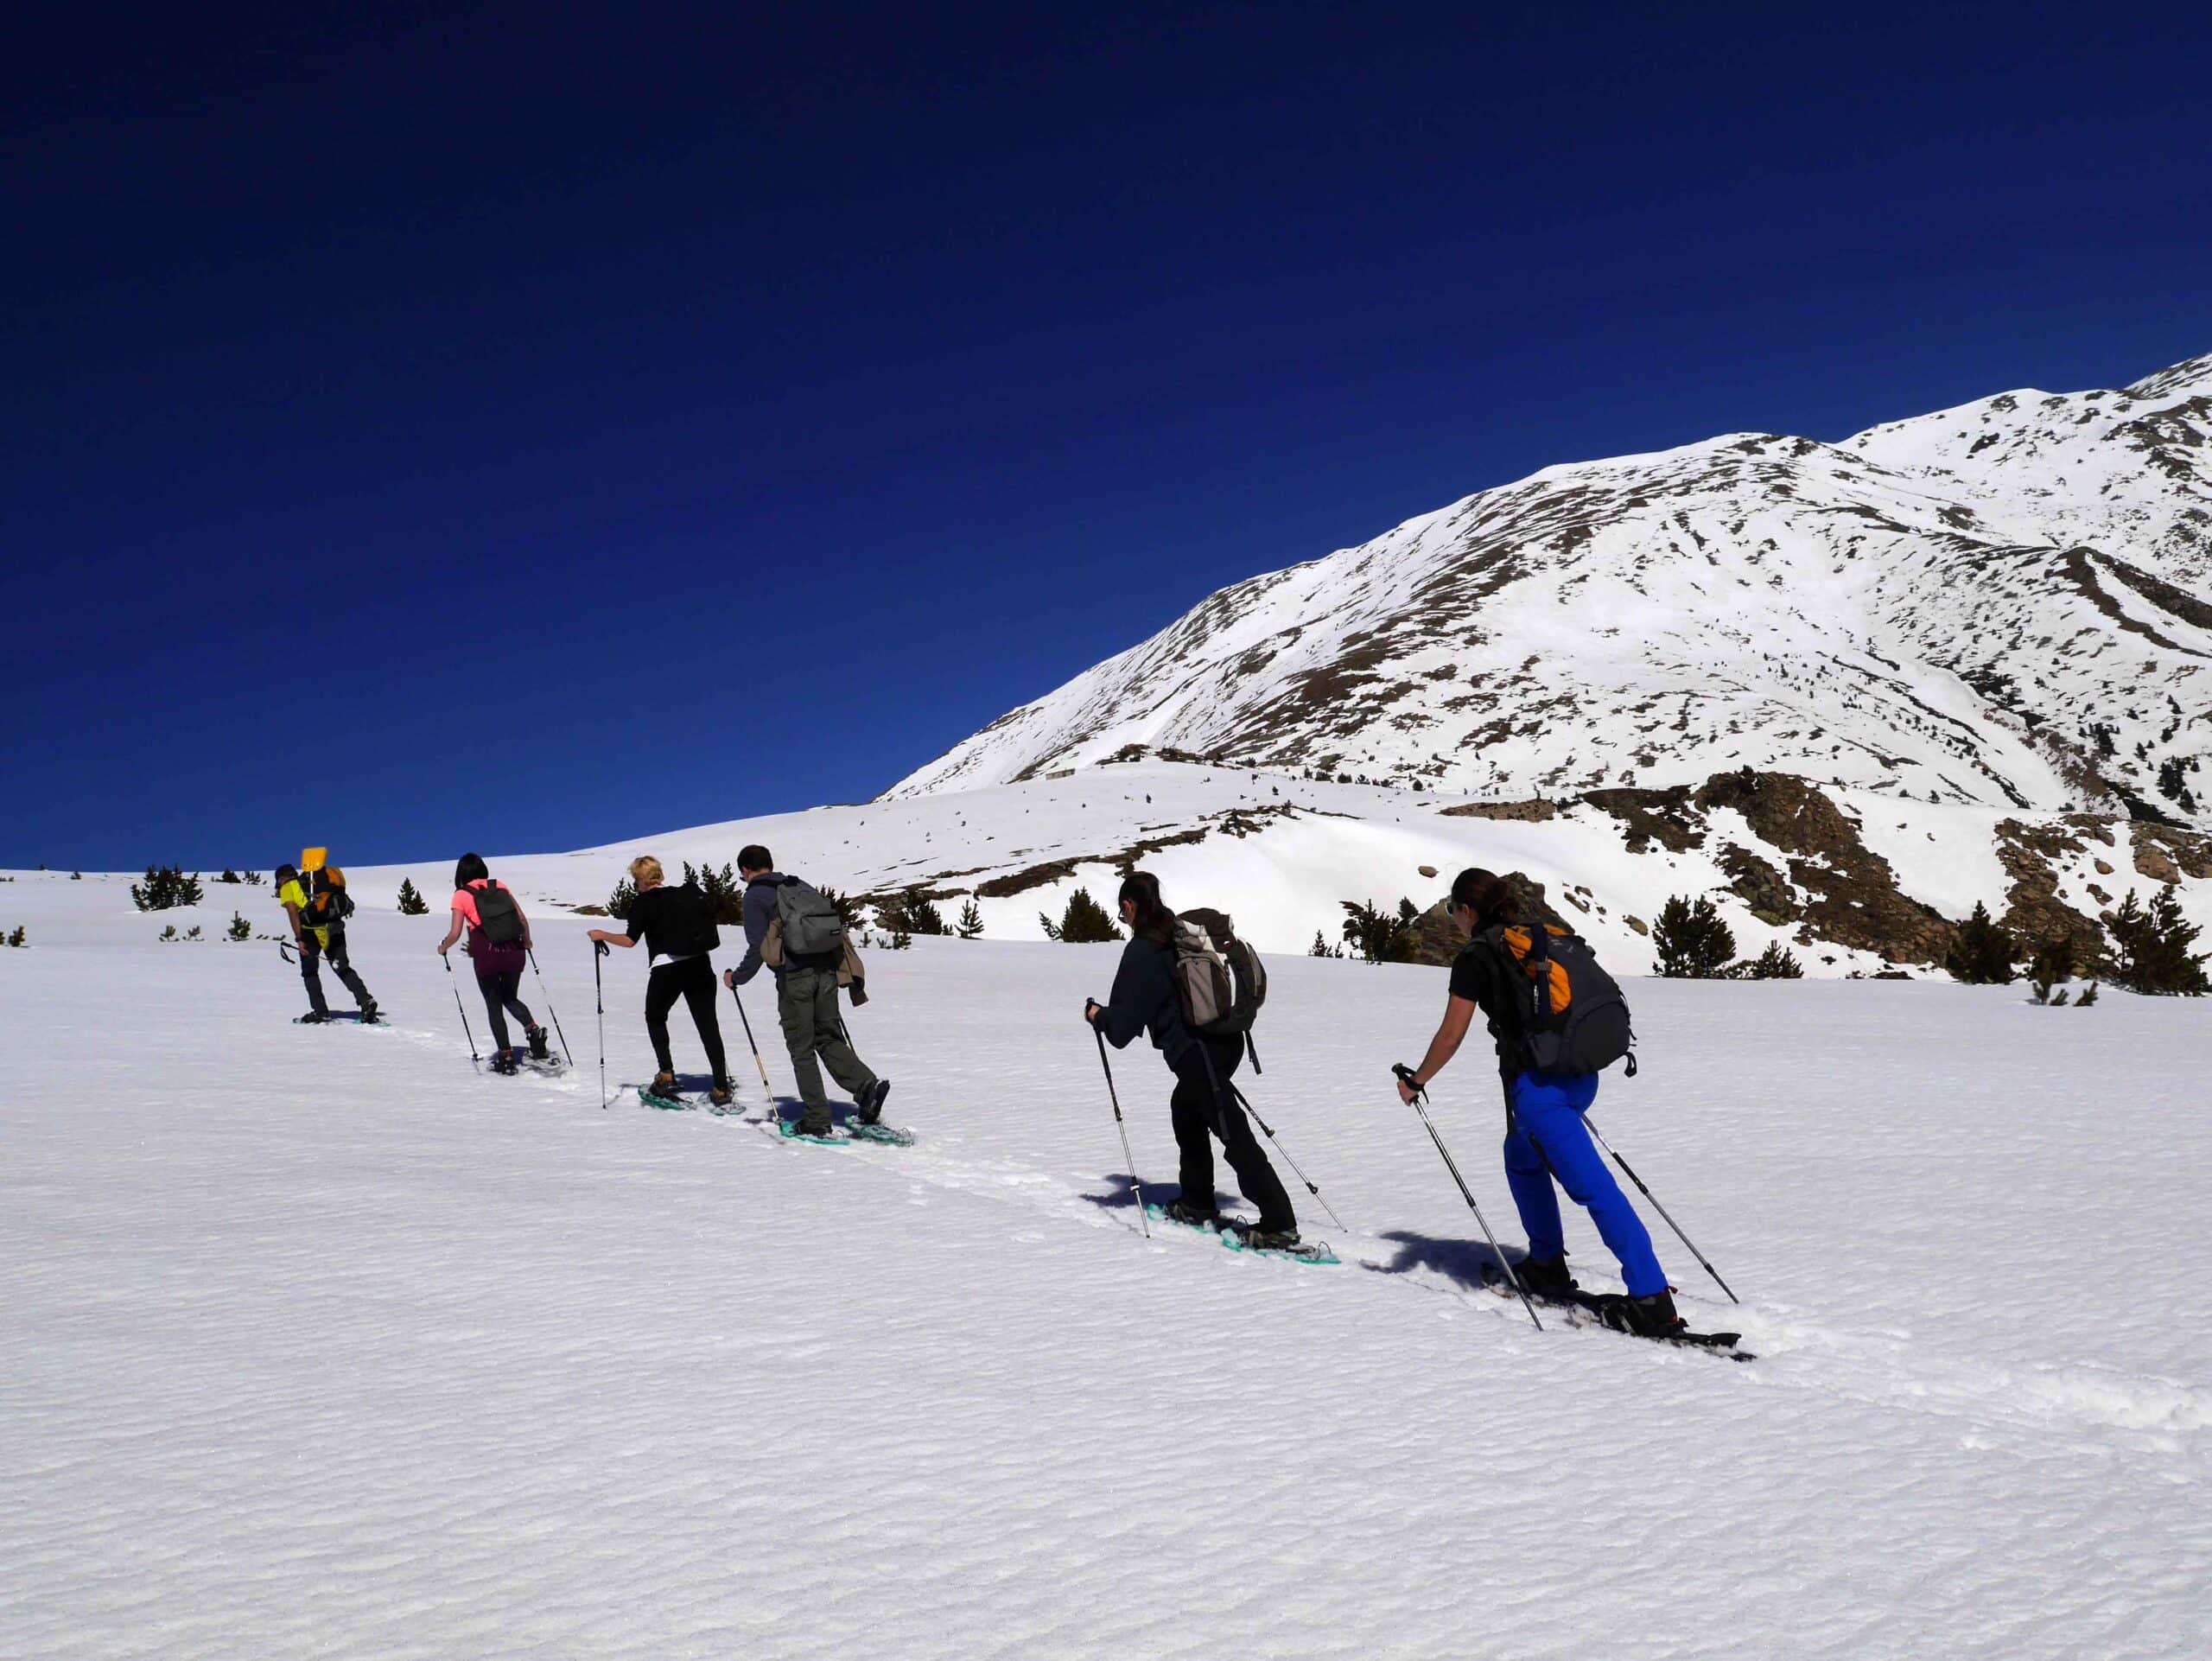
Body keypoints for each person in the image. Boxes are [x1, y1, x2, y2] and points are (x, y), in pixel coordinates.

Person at [1397, 867, 1680, 1336]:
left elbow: (1451, 1034)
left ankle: (1652, 1297)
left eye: (1453, 910)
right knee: (1521, 1157)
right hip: (1579, 1075)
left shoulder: (1478, 956)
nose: (1453, 919)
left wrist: (1417, 1080)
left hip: (1540, 1091)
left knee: (1594, 1188)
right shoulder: (1532, 937)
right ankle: (1546, 1262)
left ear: (1467, 910)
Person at [1084, 870, 1297, 1247]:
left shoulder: (1143, 950)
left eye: (1123, 913)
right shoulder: (1179, 933)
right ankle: (1197, 1200)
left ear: (1129, 906)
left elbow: (1120, 1030)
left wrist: (1098, 1016)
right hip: (1226, 1042)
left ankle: (1279, 1222)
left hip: (1196, 1053)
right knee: (1185, 1107)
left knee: (1231, 1130)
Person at [727, 844, 887, 1138]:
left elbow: (757, 948)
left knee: (801, 1048)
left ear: (746, 870)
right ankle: (866, 1086)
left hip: (794, 979)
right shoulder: (798, 885)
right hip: (827, 973)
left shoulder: (755, 896)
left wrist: (736, 978)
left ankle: (817, 1120)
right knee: (827, 1036)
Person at [586, 856, 733, 1109]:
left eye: (636, 880)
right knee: (708, 1024)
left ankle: (666, 1074)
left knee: (655, 1016)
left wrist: (602, 936)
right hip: (700, 965)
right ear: (659, 875)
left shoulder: (643, 903)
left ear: (641, 880)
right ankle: (721, 1088)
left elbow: (631, 941)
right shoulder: (684, 894)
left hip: (667, 968)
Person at [436, 853, 548, 1075]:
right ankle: (532, 1029)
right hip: (514, 950)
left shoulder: (461, 895)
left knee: (494, 1003)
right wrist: (526, 941)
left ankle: (506, 1056)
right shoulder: (499, 886)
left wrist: (443, 947)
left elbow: (456, 932)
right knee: (511, 997)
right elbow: (522, 919)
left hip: (486, 952)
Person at [276, 856, 377, 1023]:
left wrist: (299, 938)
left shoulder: (289, 887)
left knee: (310, 972)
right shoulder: (313, 884)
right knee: (342, 967)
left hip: (310, 933)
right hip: (334, 927)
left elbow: (293, 913)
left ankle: (320, 1011)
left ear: (282, 878)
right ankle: (366, 1000)